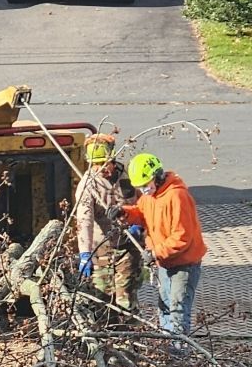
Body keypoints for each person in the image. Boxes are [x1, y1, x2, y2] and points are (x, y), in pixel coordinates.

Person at [121, 152, 206, 349]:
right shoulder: (150, 196)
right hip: (165, 264)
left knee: (177, 312)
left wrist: (155, 252)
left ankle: (178, 363)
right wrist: (125, 213)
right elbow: (141, 213)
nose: (143, 190)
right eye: (140, 187)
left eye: (146, 184)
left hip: (183, 265)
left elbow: (182, 238)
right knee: (165, 309)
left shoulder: (177, 196)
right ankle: (169, 354)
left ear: (157, 177)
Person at [74, 134, 143, 316]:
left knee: (126, 299)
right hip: (101, 250)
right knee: (103, 301)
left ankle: (130, 337)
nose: (101, 168)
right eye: (96, 164)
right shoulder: (88, 185)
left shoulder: (128, 175)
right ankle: (106, 338)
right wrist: (85, 253)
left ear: (112, 158)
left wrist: (140, 224)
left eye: (104, 163)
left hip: (129, 246)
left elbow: (144, 202)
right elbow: (84, 220)